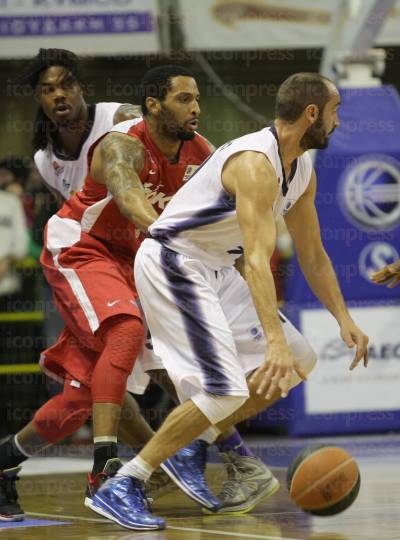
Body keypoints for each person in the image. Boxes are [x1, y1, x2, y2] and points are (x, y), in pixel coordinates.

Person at [90, 72, 370, 531]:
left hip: (216, 267)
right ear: (312, 113)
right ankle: (125, 483)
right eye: (336, 112)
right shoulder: (255, 163)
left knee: (300, 360)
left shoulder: (301, 168)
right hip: (175, 262)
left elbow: (313, 253)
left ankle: (193, 441)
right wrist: (272, 341)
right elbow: (258, 262)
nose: (339, 123)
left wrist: (343, 317)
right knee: (225, 389)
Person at [0, 63, 219, 524]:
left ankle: (2, 462)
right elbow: (125, 195)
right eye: (184, 99)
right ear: (152, 107)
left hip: (127, 258)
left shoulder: (201, 152)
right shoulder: (121, 139)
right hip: (80, 245)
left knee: (83, 397)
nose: (196, 107)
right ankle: (107, 475)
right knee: (127, 330)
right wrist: (167, 233)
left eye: (197, 98)